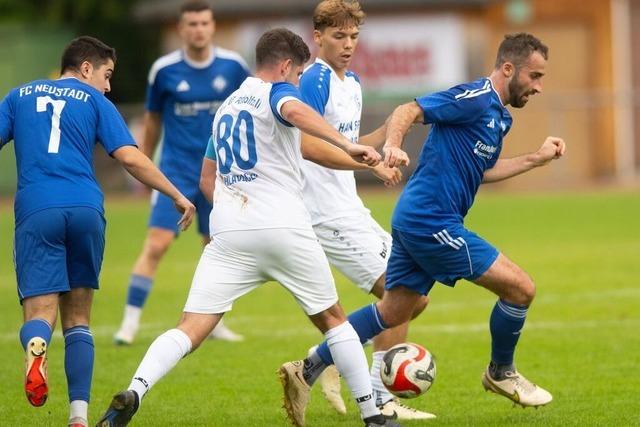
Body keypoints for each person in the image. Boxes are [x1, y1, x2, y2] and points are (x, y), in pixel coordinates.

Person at [96, 28, 400, 427]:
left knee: (189, 328)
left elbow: (207, 180)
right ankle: (373, 415)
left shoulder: (226, 108)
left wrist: (235, 209)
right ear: (286, 66)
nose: (297, 84)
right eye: (297, 74)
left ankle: (135, 389)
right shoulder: (276, 92)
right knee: (334, 320)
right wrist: (347, 145)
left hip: (230, 232)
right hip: (282, 225)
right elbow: (292, 109)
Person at [282, 32, 566, 422]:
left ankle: (307, 368)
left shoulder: (500, 116)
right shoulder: (474, 98)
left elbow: (481, 171)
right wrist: (394, 145)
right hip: (431, 220)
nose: (538, 86)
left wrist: (535, 159)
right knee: (521, 289)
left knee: (394, 311)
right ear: (507, 68)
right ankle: (501, 373)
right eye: (534, 76)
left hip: (418, 218)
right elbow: (408, 110)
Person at [0, 36, 195, 427]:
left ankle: (36, 347)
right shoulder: (95, 102)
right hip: (86, 208)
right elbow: (130, 157)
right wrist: (174, 193)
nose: (108, 86)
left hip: (38, 207)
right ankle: (78, 417)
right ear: (86, 68)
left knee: (40, 313)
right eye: (106, 75)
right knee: (79, 319)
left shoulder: (17, 96)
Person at [295, 0, 433, 420]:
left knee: (414, 294)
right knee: (399, 290)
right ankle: (376, 394)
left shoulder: (351, 82)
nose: (348, 44)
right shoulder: (315, 80)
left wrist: (392, 131)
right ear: (317, 37)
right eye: (339, 36)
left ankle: (314, 363)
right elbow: (308, 145)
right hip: (325, 212)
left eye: (354, 36)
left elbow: (352, 139)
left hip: (349, 206)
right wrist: (368, 163)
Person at [113, 0, 250, 345]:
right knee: (156, 244)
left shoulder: (234, 67)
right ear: (181, 29)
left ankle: (214, 322)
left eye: (204, 23)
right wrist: (144, 167)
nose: (198, 29)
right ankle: (129, 324)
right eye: (192, 24)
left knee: (215, 247)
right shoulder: (164, 70)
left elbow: (252, 112)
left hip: (220, 175)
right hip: (173, 173)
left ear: (213, 26)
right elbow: (153, 120)